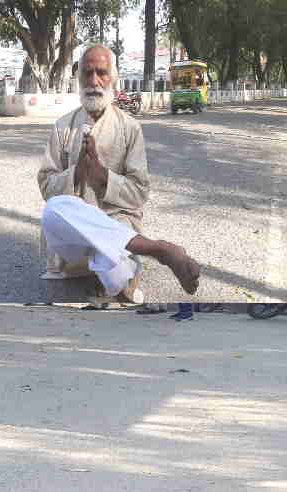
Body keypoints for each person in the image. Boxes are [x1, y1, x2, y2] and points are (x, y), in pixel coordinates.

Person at [37, 44, 201, 305]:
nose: (93, 81)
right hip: (76, 232)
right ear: (78, 79)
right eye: (87, 73)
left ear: (113, 78)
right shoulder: (63, 126)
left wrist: (103, 177)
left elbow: (139, 193)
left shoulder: (129, 128)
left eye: (101, 72)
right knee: (54, 210)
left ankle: (116, 278)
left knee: (114, 264)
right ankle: (158, 249)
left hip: (116, 222)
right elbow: (46, 185)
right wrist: (77, 172)